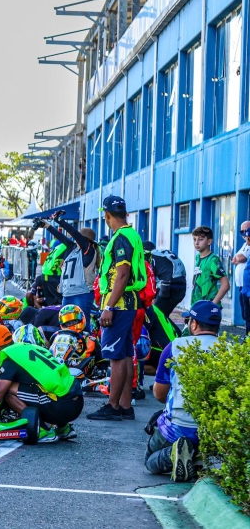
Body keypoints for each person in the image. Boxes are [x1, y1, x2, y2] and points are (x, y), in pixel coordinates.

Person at [145, 300, 221, 481]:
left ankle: (174, 453)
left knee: (150, 461)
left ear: (194, 324)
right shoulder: (231, 350)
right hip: (215, 430)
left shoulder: (175, 346)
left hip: (178, 426)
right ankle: (196, 457)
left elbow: (159, 394)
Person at [87, 195, 146, 421]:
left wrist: (109, 307)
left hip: (119, 304)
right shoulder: (132, 234)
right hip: (128, 302)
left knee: (116, 356)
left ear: (107, 215)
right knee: (125, 354)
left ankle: (113, 406)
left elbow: (122, 275)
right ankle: (125, 406)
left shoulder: (121, 237)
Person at [0, 324, 83, 443]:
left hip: (61, 407)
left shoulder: (9, 357)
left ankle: (42, 429)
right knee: (38, 387)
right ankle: (63, 427)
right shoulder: (28, 347)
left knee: (7, 391)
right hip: (77, 400)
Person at [39, 216, 98, 330]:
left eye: (78, 238)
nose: (75, 240)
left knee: (81, 326)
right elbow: (61, 237)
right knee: (66, 325)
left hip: (81, 293)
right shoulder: (73, 249)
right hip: (67, 294)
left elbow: (74, 233)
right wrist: (47, 226)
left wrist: (59, 220)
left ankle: (86, 341)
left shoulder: (88, 250)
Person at [142, 241, 184, 369]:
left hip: (168, 286)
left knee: (156, 316)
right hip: (180, 285)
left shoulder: (148, 256)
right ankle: (172, 340)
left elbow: (148, 277)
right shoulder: (161, 253)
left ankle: (161, 349)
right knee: (162, 317)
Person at [190, 226, 229, 307]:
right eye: (194, 239)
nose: (196, 243)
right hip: (196, 305)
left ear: (209, 241)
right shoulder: (198, 257)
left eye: (200, 239)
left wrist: (213, 304)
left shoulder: (213, 260)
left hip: (208, 307)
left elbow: (225, 285)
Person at [234, 221, 250, 333]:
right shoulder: (245, 245)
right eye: (242, 231)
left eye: (246, 231)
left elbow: (240, 258)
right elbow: (235, 259)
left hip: (248, 289)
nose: (244, 235)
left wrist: (238, 259)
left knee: (248, 316)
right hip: (243, 288)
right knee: (246, 315)